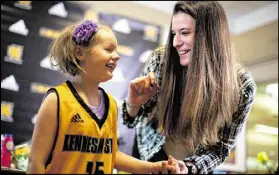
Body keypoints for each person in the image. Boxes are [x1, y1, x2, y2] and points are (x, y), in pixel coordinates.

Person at [122, 1, 256, 174]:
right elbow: (130, 120)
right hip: (148, 153)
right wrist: (134, 105)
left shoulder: (242, 86)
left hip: (195, 165)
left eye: (184, 33)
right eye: (173, 33)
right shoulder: (161, 62)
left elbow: (221, 148)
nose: (176, 42)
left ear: (210, 36)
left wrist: (190, 167)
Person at [26, 20, 177, 174]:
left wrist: (154, 167)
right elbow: (35, 162)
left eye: (116, 51)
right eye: (108, 49)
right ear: (79, 53)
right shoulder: (56, 100)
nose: (117, 56)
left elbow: (112, 156)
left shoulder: (111, 104)